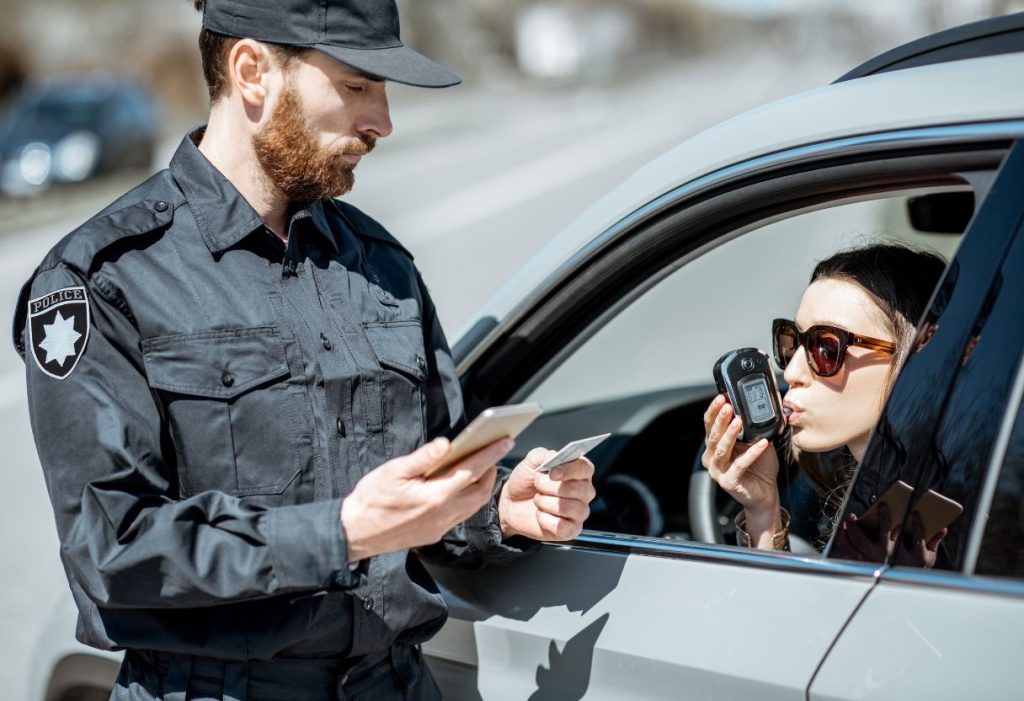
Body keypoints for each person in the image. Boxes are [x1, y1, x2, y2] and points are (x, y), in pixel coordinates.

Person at [12, 1, 597, 699]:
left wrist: (496, 509)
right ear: (252, 70)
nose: (383, 120)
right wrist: (340, 532)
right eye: (356, 86)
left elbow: (421, 486)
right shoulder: (102, 279)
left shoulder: (381, 265)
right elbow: (113, 549)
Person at [701, 243, 946, 557]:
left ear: (917, 354)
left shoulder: (944, 519)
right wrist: (763, 510)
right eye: (793, 343)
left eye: (826, 349)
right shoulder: (889, 501)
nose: (791, 372)